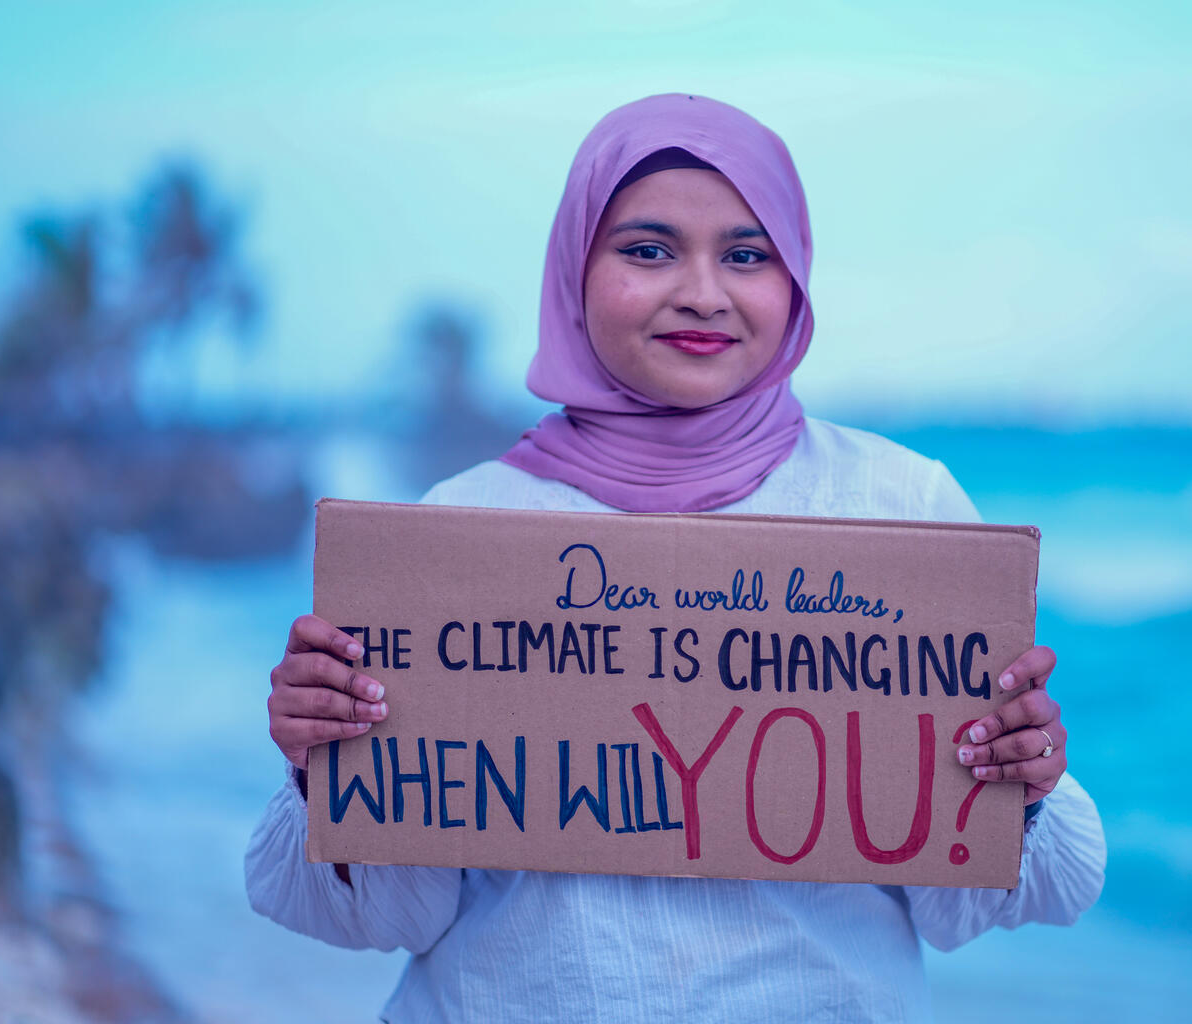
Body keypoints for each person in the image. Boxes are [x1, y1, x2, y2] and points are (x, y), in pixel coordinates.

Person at [247, 93, 1105, 1022]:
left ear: (798, 278)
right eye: (648, 250)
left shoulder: (904, 511)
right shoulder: (465, 525)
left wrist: (1022, 781)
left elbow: (983, 900)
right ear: (575, 269)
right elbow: (383, 913)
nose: (702, 291)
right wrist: (320, 764)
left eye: (747, 254)